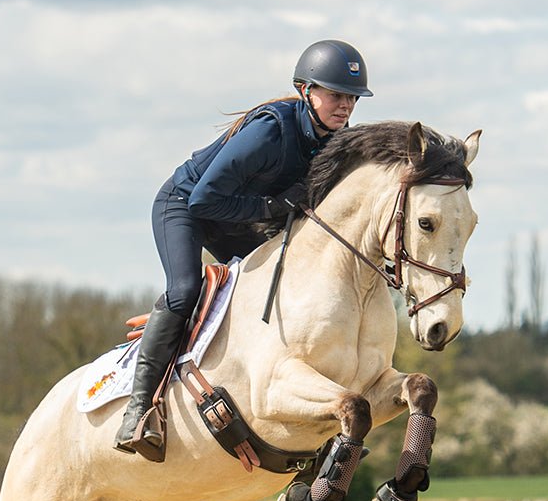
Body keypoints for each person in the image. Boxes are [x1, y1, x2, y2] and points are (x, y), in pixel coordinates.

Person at [115, 39, 373, 459]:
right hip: (185, 206)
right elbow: (204, 200)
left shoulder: (335, 142)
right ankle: (139, 410)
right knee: (185, 290)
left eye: (352, 98)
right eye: (336, 95)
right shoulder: (270, 131)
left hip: (234, 215)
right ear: (306, 91)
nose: (345, 106)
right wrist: (272, 206)